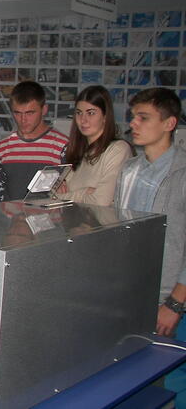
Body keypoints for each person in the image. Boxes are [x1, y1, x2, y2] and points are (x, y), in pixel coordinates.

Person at [114, 88, 186, 406]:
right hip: (130, 294)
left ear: (169, 123)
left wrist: (175, 304)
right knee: (133, 382)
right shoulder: (129, 170)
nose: (134, 124)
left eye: (143, 117)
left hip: (170, 298)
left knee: (171, 383)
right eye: (133, 117)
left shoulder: (182, 174)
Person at [0, 80, 68, 201]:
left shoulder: (62, 146)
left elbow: (70, 194)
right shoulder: (1, 149)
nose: (23, 119)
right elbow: (0, 196)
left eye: (30, 113)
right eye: (17, 113)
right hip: (11, 213)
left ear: (44, 110)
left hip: (50, 213)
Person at [56, 86, 132, 205]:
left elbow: (101, 201)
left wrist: (64, 197)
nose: (83, 120)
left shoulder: (118, 149)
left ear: (105, 116)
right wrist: (85, 192)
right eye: (79, 113)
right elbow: (52, 195)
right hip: (72, 217)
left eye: (91, 113)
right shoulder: (76, 150)